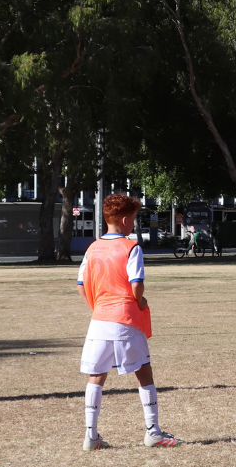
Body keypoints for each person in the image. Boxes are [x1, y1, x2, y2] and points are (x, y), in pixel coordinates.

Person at [77, 193, 181, 450]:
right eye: (133, 219)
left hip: (99, 318)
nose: (133, 224)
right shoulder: (131, 247)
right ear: (124, 220)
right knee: (144, 373)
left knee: (96, 376)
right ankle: (153, 431)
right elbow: (136, 286)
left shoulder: (92, 248)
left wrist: (96, 306)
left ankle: (91, 435)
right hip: (125, 319)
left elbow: (81, 284)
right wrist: (142, 302)